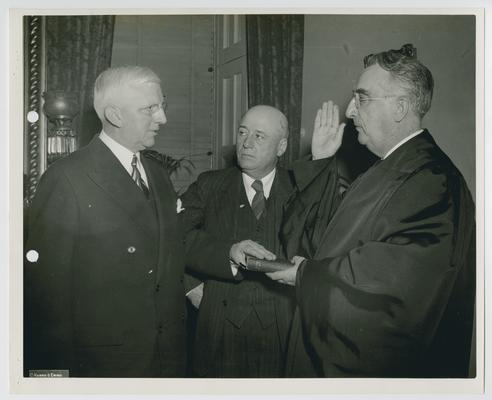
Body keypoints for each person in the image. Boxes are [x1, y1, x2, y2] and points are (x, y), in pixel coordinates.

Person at [269, 44, 476, 378]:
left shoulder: (431, 180)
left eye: (362, 98)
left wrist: (305, 276)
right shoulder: (388, 171)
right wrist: (321, 163)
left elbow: (389, 291)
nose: (350, 111)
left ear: (400, 108)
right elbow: (317, 243)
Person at [24, 66, 187, 377]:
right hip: (105, 368)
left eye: (162, 105)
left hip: (167, 363)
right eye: (150, 108)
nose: (162, 118)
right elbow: (45, 300)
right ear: (115, 115)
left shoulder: (158, 175)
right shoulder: (66, 179)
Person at [181, 105, 338, 377]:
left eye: (259, 136)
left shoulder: (301, 186)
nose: (246, 142)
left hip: (283, 325)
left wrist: (321, 162)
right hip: (218, 324)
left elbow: (325, 239)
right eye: (243, 132)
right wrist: (189, 285)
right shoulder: (209, 185)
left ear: (281, 147)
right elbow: (173, 236)